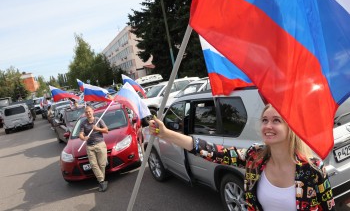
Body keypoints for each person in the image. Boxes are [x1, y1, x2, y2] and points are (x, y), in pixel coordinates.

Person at [149, 104, 335, 210]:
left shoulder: (312, 169)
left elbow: (329, 208)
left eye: (276, 120)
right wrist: (165, 134)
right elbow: (212, 151)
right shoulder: (255, 156)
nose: (268, 125)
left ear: (290, 128)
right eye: (264, 120)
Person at [79, 106, 109, 192]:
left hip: (100, 144)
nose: (88, 113)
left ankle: (101, 182)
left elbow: (107, 130)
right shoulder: (83, 123)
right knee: (93, 165)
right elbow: (80, 134)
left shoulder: (98, 120)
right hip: (90, 146)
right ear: (85, 114)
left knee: (102, 164)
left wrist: (97, 129)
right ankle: (102, 181)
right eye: (86, 112)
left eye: (89, 111)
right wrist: (83, 137)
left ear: (93, 111)